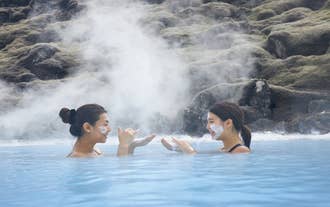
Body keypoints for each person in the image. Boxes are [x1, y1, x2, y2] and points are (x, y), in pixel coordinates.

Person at [59, 104, 155, 157]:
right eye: (105, 124)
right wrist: (123, 145)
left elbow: (122, 164)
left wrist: (131, 146)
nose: (109, 129)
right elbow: (121, 177)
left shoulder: (95, 151)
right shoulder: (77, 157)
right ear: (88, 127)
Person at [161, 102, 251, 154]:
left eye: (211, 122)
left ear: (228, 123)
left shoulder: (241, 150)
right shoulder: (223, 150)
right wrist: (180, 149)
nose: (207, 127)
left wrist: (190, 152)